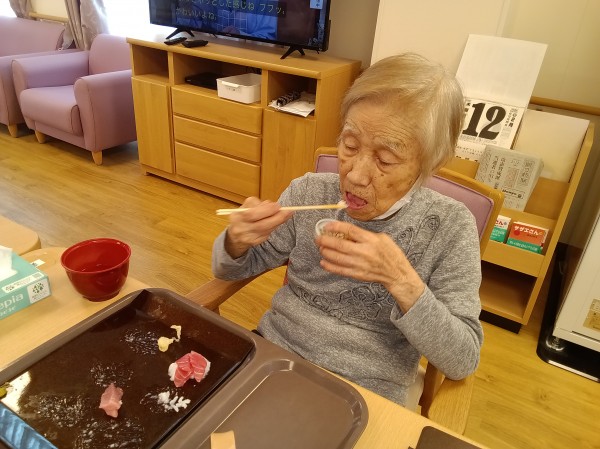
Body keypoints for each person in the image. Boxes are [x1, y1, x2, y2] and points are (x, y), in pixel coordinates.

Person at [211, 53, 483, 408]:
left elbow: (462, 359)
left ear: (429, 163)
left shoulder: (450, 226)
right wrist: (236, 242)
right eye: (350, 146)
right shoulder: (308, 192)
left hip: (365, 393)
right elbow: (230, 270)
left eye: (385, 160)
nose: (354, 175)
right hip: (273, 355)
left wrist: (401, 280)